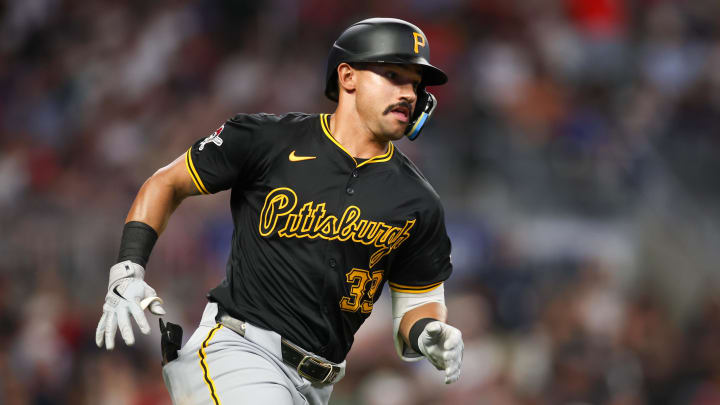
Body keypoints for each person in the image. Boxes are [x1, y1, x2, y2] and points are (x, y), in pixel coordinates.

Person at [95, 17, 463, 405]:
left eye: (414, 84)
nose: (407, 92)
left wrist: (426, 330)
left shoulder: (418, 200)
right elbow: (167, 182)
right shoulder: (269, 140)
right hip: (238, 352)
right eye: (393, 75)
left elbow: (417, 301)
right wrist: (128, 268)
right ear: (348, 76)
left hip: (317, 386)